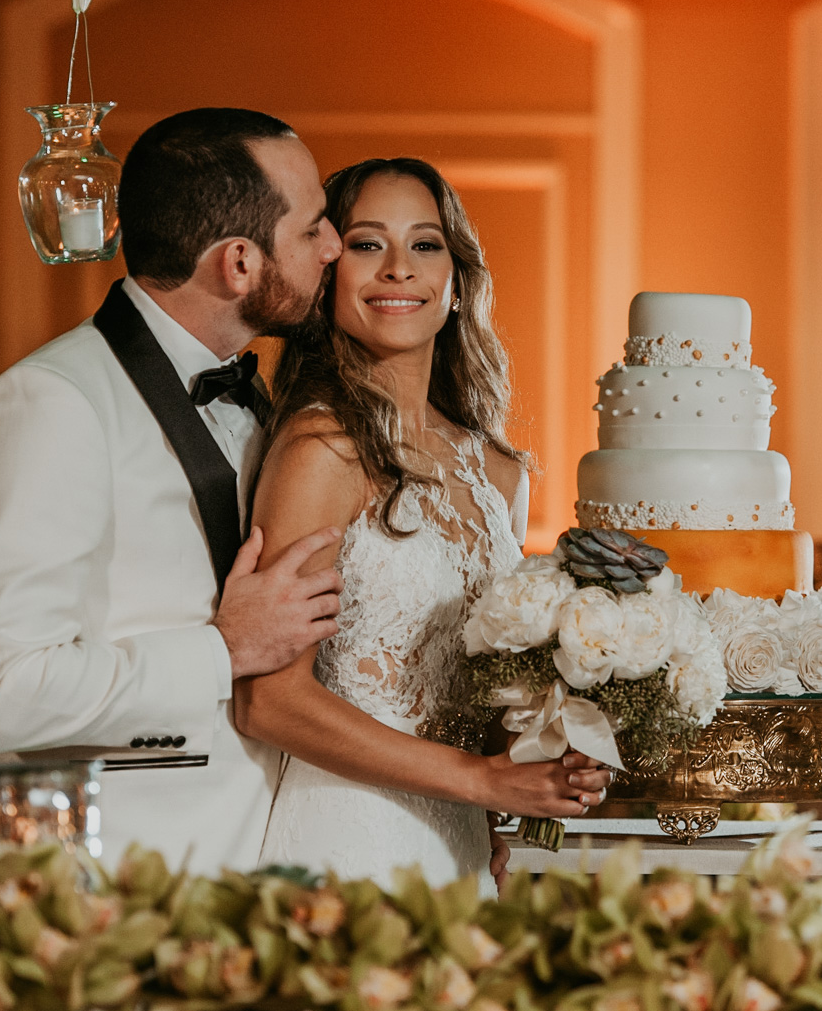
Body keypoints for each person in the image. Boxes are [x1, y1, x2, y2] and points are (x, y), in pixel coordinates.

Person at [0, 108, 344, 872]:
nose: (332, 247)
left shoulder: (271, 401)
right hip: (116, 879)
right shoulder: (51, 401)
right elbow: (2, 693)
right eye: (312, 228)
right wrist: (223, 649)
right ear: (239, 263)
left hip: (269, 867)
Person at [237, 157, 610, 889]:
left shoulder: (500, 474)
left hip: (461, 846)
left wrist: (555, 746)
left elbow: (483, 695)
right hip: (346, 845)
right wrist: (481, 781)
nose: (399, 269)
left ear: (458, 281)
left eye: (426, 244)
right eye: (368, 244)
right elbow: (268, 700)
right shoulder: (321, 450)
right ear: (326, 278)